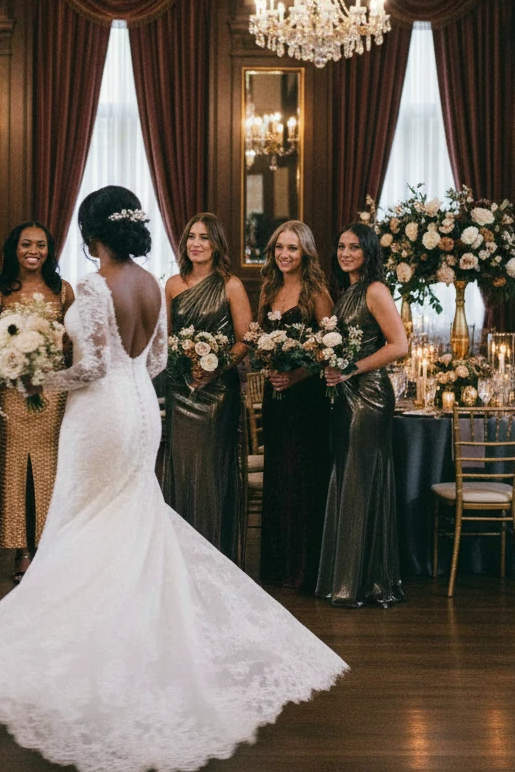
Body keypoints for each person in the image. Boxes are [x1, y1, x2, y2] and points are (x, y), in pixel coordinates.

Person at [0, 186, 346, 772]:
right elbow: (152, 364)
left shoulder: (98, 285)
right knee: (130, 524)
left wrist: (41, 376)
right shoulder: (153, 283)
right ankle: (133, 664)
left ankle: (87, 674)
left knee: (79, 528)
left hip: (99, 414)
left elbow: (93, 367)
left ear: (90, 229)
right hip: (141, 411)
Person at [316, 222, 409, 608]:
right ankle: (351, 578)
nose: (345, 253)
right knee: (348, 476)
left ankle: (359, 582)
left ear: (368, 252)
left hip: (369, 396)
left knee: (359, 479)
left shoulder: (375, 290)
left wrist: (353, 368)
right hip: (346, 394)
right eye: (340, 246)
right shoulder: (348, 291)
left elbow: (400, 345)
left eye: (354, 247)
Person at [162, 213, 252, 564]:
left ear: (216, 244)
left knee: (213, 471)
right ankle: (182, 556)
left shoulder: (231, 284)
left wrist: (215, 368)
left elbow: (246, 339)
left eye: (204, 237)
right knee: (183, 468)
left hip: (218, 395)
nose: (196, 243)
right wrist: (186, 368)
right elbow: (169, 340)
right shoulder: (172, 284)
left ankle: (216, 555)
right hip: (182, 391)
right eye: (191, 237)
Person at [0, 222, 74, 583]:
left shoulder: (63, 290)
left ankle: (49, 547)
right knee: (13, 469)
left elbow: (74, 342)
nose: (33, 251)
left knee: (50, 469)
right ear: (14, 248)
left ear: (49, 250)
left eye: (40, 244)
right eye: (26, 244)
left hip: (52, 393)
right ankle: (21, 551)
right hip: (11, 393)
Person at [256, 221, 334, 591]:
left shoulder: (316, 293)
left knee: (303, 478)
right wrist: (268, 366)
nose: (284, 255)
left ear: (305, 253)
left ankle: (304, 570)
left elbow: (330, 350)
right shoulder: (269, 289)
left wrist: (296, 376)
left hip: (307, 400)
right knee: (279, 476)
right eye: (279, 248)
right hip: (276, 397)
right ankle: (277, 565)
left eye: (292, 248)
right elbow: (259, 340)